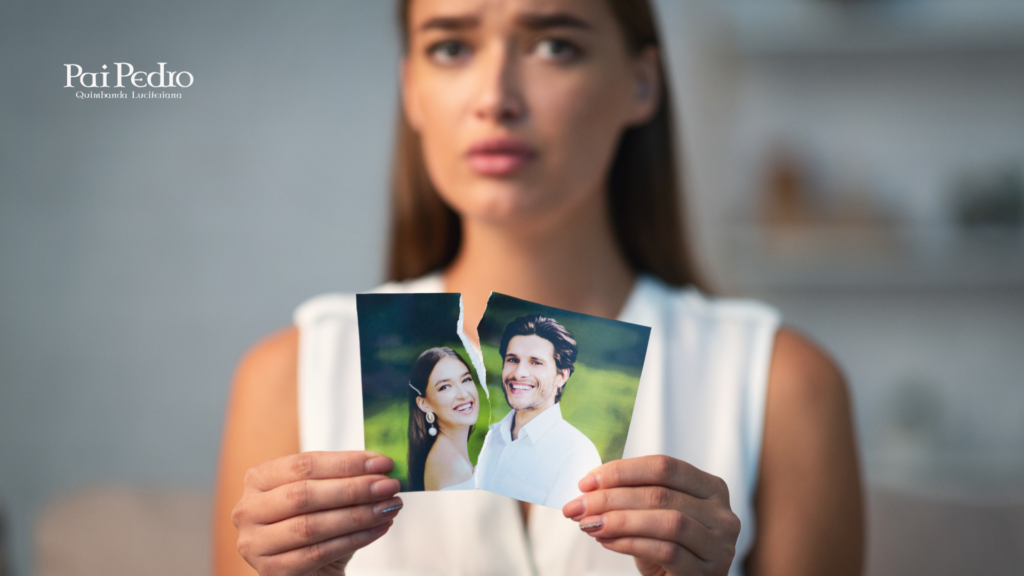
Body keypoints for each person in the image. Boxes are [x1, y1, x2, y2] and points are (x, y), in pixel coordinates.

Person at [215, 0, 863, 575]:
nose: (495, 96)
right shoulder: (290, 375)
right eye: (451, 46)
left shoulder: (783, 384)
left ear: (641, 83)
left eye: (556, 44)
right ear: (412, 89)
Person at [475, 315, 603, 507]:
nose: (519, 373)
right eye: (512, 359)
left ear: (562, 376)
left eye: (536, 362)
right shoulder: (491, 437)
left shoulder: (577, 455)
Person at [405, 347, 480, 491]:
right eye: (445, 387)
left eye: (466, 379)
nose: (463, 394)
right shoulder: (456, 468)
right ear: (424, 404)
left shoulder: (443, 456)